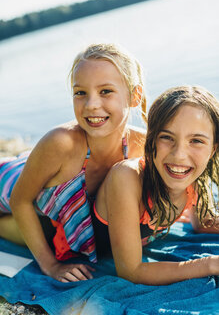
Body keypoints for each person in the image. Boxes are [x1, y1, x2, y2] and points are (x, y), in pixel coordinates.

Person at [0, 43, 147, 283]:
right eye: (80, 93)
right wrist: (51, 265)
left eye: (106, 91)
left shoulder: (140, 144)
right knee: (43, 231)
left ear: (134, 96)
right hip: (10, 183)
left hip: (45, 197)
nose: (91, 105)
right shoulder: (61, 143)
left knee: (48, 228)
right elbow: (19, 199)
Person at [94, 85, 219, 285]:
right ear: (151, 140)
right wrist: (210, 264)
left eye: (196, 141)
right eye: (167, 138)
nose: (179, 155)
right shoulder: (126, 177)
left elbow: (202, 221)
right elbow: (130, 271)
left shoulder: (194, 176)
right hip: (49, 225)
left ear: (212, 150)